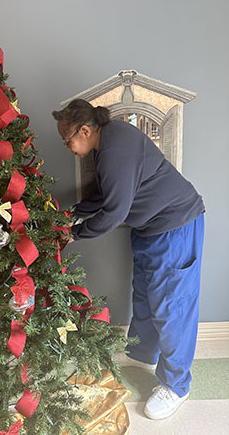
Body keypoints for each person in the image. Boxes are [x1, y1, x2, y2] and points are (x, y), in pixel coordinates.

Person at [52, 98, 205, 420]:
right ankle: (143, 352)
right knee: (146, 297)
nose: (69, 148)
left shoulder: (115, 147)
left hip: (175, 226)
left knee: (171, 306)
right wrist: (74, 215)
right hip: (149, 230)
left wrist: (75, 234)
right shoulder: (109, 143)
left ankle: (177, 385)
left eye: (69, 141)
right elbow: (107, 194)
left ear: (84, 129)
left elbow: (115, 211)